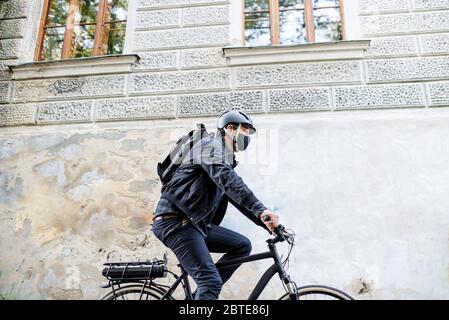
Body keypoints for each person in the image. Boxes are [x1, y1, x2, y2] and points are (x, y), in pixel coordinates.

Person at [151, 110, 279, 300]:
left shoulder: (224, 157)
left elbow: (235, 196)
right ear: (229, 128)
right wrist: (261, 210)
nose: (247, 137)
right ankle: (206, 291)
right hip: (175, 222)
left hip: (193, 223)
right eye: (244, 130)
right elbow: (228, 180)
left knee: (242, 246)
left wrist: (265, 222)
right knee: (210, 282)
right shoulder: (210, 146)